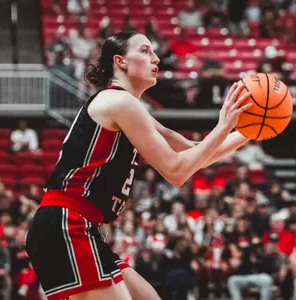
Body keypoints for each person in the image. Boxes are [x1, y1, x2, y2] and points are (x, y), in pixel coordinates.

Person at [25, 31, 252, 300]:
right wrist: (224, 126)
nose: (156, 59)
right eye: (145, 51)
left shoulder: (130, 107)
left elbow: (195, 152)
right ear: (120, 62)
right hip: (66, 221)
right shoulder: (118, 102)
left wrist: (250, 133)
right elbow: (176, 171)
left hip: (80, 225)